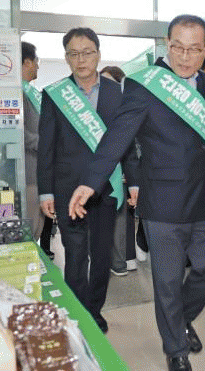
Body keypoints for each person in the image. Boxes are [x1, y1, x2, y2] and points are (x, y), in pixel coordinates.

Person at [68, 15, 205, 371]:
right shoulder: (144, 85)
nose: (184, 57)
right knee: (167, 281)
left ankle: (181, 319)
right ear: (167, 44)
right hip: (163, 201)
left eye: (193, 49)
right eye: (177, 47)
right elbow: (118, 136)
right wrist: (91, 181)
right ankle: (176, 349)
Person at [37, 27, 139, 334]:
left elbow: (126, 143)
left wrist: (134, 182)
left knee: (102, 253)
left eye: (87, 52)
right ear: (66, 58)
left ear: (98, 54)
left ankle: (94, 310)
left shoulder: (117, 93)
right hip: (67, 189)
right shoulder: (55, 95)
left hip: (106, 188)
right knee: (76, 253)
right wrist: (45, 192)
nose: (81, 60)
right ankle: (77, 310)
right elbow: (46, 147)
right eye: (74, 54)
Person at [100, 65, 139, 275]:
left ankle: (120, 260)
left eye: (110, 83)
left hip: (119, 175)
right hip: (95, 175)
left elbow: (131, 147)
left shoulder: (127, 107)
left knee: (120, 218)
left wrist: (132, 179)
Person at [20, 42, 45, 244]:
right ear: (27, 62)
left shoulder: (31, 92)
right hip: (28, 173)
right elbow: (18, 132)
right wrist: (46, 143)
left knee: (37, 226)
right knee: (30, 228)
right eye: (36, 61)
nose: (37, 66)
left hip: (39, 171)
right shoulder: (18, 93)